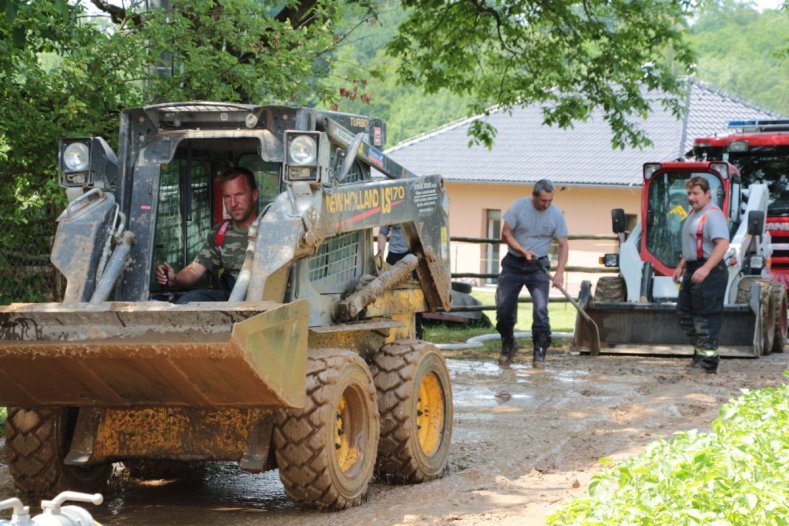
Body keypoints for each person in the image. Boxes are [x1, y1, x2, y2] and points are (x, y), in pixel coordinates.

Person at [156, 166, 259, 303]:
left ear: (254, 195)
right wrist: (175, 278)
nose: (233, 203)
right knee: (188, 302)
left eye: (239, 195)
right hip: (230, 300)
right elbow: (194, 271)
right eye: (227, 197)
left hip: (266, 300)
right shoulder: (220, 233)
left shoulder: (273, 230)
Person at [495, 179, 569, 367]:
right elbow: (506, 233)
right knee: (503, 308)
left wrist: (560, 272)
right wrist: (523, 251)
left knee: (541, 310)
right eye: (543, 200)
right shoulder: (519, 207)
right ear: (534, 196)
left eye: (550, 200)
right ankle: (508, 342)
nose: (547, 204)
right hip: (513, 264)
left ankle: (539, 351)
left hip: (539, 267)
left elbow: (563, 244)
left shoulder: (556, 214)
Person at [672, 176, 729, 374]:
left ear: (707, 194)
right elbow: (691, 243)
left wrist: (706, 268)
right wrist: (682, 264)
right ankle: (700, 356)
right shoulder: (693, 213)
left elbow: (722, 244)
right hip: (692, 267)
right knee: (685, 313)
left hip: (709, 270)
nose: (691, 197)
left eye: (696, 193)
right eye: (689, 193)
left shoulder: (712, 215)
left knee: (706, 317)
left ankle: (708, 365)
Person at [377, 224, 424, 339]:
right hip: (393, 255)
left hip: (412, 252)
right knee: (388, 293)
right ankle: (388, 332)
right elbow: (382, 232)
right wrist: (379, 259)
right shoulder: (389, 207)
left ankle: (416, 332)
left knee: (414, 292)